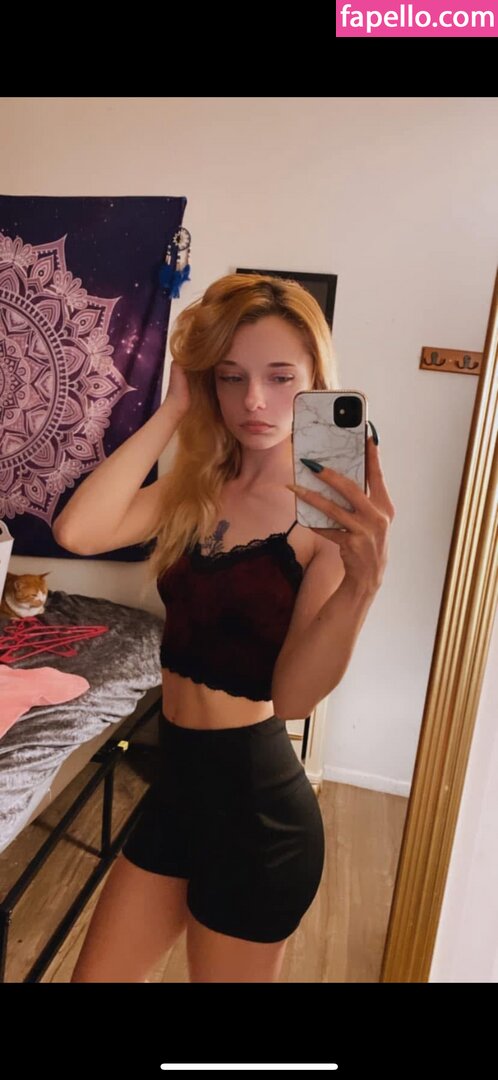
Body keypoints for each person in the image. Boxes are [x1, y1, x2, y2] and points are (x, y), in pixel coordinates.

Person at [53, 273, 395, 983]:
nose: (254, 401)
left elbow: (294, 698)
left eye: (280, 377)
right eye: (231, 377)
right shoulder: (198, 485)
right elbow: (79, 532)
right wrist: (173, 408)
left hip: (257, 817)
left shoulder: (328, 518)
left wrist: (361, 586)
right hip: (176, 790)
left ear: (316, 380)